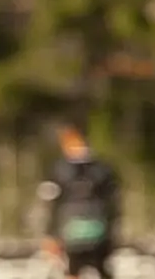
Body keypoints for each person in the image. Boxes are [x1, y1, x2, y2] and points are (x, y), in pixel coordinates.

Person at [38, 118, 121, 279]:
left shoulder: (101, 170)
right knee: (74, 268)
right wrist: (50, 235)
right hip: (72, 233)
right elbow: (51, 203)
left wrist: (113, 229)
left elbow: (113, 203)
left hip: (95, 232)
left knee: (98, 268)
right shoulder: (60, 170)